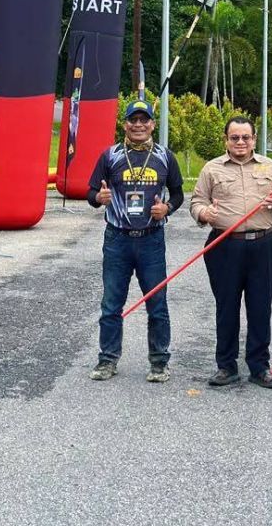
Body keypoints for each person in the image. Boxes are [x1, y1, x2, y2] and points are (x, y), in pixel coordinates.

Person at [87, 98, 184, 384]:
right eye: (133, 120)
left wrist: (167, 208)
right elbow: (90, 193)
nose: (138, 125)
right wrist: (98, 197)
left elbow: (178, 194)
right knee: (111, 304)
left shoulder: (165, 156)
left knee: (157, 303)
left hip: (151, 240)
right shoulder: (110, 156)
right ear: (125, 124)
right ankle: (107, 360)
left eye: (144, 120)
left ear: (153, 124)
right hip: (117, 239)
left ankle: (159, 362)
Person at [190, 115, 272, 389]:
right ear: (226, 140)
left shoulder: (269, 167)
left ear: (254, 139)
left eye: (246, 137)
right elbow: (196, 201)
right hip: (224, 245)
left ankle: (259, 367)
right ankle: (226, 366)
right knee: (227, 307)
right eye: (234, 137)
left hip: (261, 245)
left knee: (260, 307)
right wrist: (204, 213)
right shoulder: (212, 169)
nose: (240, 142)